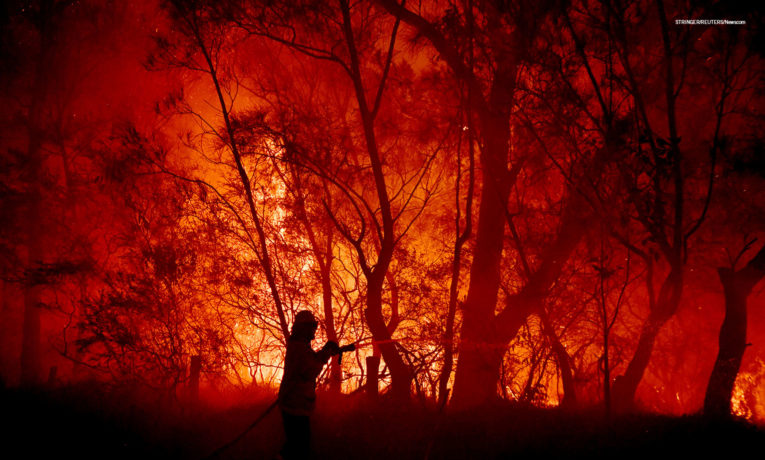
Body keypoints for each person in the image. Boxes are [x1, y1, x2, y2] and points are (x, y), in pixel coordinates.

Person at [278, 310, 340, 459]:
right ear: (302, 328)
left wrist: (326, 350)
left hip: (295, 405)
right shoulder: (298, 348)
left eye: (314, 325)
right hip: (294, 407)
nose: (314, 328)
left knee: (294, 446)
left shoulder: (300, 346)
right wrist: (326, 352)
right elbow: (310, 370)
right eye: (311, 325)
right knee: (299, 448)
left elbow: (311, 360)